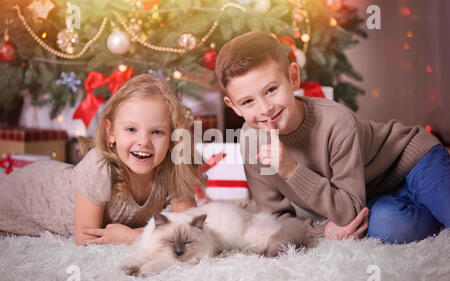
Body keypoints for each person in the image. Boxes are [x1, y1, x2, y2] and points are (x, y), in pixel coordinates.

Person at [215, 30, 449, 244]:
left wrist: (291, 170)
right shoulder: (251, 140)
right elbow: (274, 218)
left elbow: (347, 211)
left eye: (271, 90)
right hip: (367, 194)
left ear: (293, 77)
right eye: (248, 101)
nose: (265, 108)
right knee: (391, 227)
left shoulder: (335, 121)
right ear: (233, 106)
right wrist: (322, 230)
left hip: (412, 161)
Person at [0, 74, 205, 245]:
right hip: (32, 191)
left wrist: (131, 236)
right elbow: (86, 240)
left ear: (172, 138)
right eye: (131, 129)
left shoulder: (173, 168)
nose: (143, 141)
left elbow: (190, 228)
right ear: (111, 132)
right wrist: (144, 235)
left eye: (157, 132)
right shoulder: (100, 168)